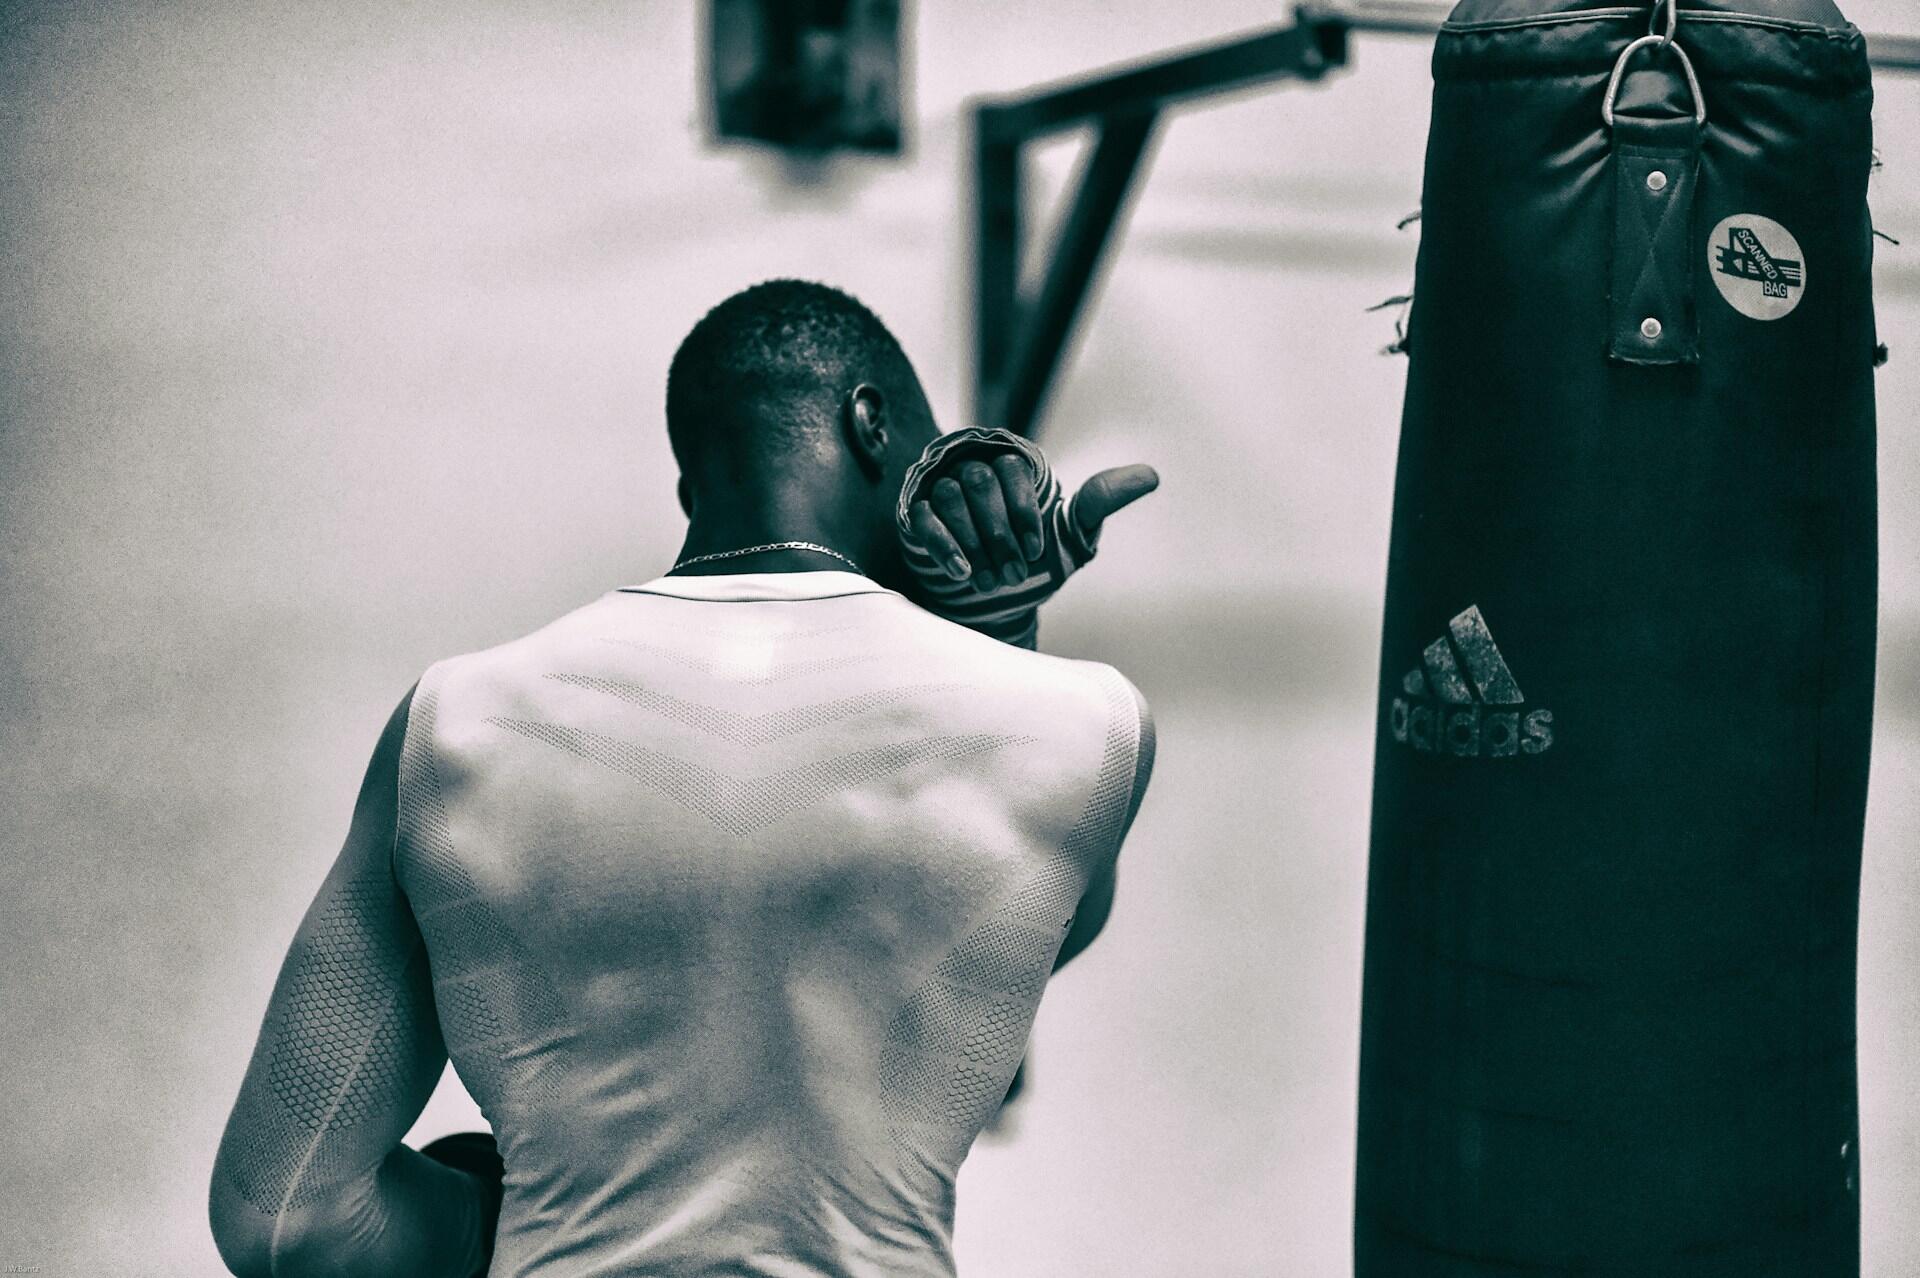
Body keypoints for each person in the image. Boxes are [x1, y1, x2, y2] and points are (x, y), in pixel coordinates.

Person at [208, 279, 1158, 1277]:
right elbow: (1003, 985)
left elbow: (287, 1219)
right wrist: (1000, 641)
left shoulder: (454, 722)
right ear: (874, 425)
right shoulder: (1082, 727)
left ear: (690, 490)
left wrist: (513, 1216)